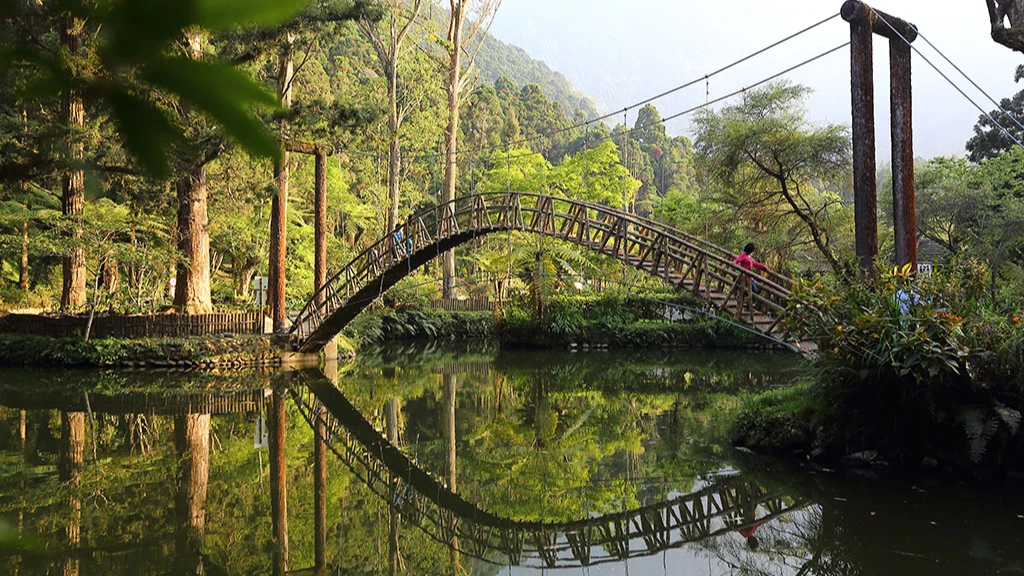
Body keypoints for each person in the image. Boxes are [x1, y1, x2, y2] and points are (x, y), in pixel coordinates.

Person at [733, 243, 768, 309]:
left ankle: (748, 307)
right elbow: (736, 260)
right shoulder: (743, 255)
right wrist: (734, 263)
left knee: (754, 291)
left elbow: (755, 263)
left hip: (750, 277)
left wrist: (763, 267)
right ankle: (748, 307)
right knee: (754, 291)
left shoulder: (749, 257)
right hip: (745, 277)